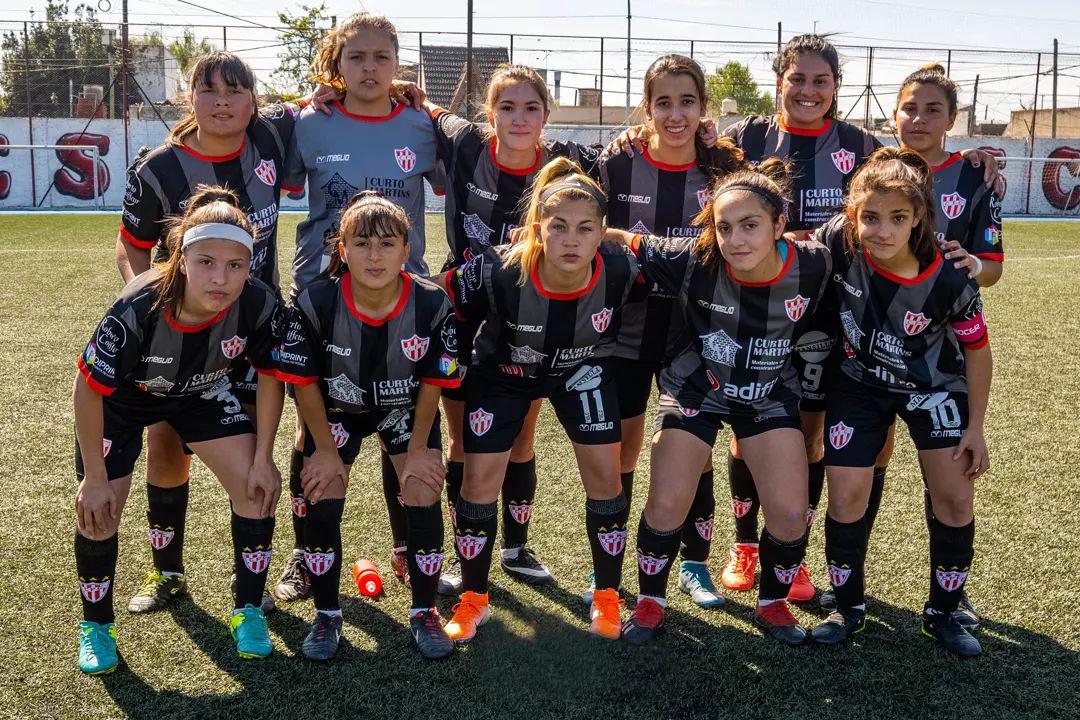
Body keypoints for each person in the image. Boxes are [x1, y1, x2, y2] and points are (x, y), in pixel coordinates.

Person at [718, 34, 1001, 602]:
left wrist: (975, 157)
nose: (808, 90)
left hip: (839, 319)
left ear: (836, 89)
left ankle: (802, 559)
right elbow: (686, 144)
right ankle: (747, 545)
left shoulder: (862, 145)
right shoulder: (744, 137)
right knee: (751, 431)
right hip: (761, 310)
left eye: (821, 81)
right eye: (797, 78)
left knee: (821, 436)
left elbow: (909, 172)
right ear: (779, 82)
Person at [604, 160, 832, 646]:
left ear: (779, 224)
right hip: (695, 390)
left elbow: (877, 229)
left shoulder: (816, 262)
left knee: (791, 514)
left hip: (768, 395)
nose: (736, 240)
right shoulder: (693, 258)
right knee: (667, 500)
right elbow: (622, 238)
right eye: (724, 227)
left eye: (750, 225)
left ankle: (772, 602)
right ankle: (651, 601)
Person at [819, 63, 1007, 626]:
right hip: (859, 380)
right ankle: (846, 604)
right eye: (869, 217)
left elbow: (978, 343)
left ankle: (946, 610)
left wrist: (976, 425)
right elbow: (795, 252)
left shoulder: (953, 270)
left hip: (932, 380)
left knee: (953, 494)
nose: (880, 228)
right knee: (849, 487)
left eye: (896, 218)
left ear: (920, 217)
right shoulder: (844, 229)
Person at [74, 187, 285, 674]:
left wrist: (264, 456)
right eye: (207, 261)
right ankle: (97, 626)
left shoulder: (256, 302)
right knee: (100, 510)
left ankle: (248, 609)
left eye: (236, 265)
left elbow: (271, 375)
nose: (221, 278)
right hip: (123, 405)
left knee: (255, 490)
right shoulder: (139, 304)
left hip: (199, 394)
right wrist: (94, 476)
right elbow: (86, 390)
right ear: (182, 257)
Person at [114, 52, 295, 614]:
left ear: (253, 100)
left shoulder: (269, 139)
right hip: (180, 336)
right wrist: (150, 299)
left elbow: (328, 100)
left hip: (253, 334)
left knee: (254, 458)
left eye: (236, 90)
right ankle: (168, 572)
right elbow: (131, 244)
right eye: (209, 89)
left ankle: (252, 592)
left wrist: (417, 99)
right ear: (189, 97)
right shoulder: (158, 169)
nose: (223, 101)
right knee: (166, 445)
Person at [440, 158, 647, 642]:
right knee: (478, 480)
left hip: (581, 372)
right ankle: (474, 599)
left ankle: (607, 597)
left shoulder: (624, 268)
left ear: (603, 234)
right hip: (505, 376)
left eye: (584, 228)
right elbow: (441, 306)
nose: (571, 240)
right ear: (538, 229)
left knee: (606, 473)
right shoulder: (496, 269)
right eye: (558, 227)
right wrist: (455, 380)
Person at [275, 12, 440, 602]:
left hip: (403, 300)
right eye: (356, 58)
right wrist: (303, 98)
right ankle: (303, 558)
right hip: (324, 295)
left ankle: (407, 552)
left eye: (381, 58)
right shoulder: (309, 123)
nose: (369, 69)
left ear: (399, 66)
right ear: (336, 65)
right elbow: (284, 179)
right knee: (315, 428)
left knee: (405, 420)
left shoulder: (423, 123)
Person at [275, 191, 459, 660]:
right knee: (322, 484)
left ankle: (423, 611)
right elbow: (307, 385)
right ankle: (328, 614)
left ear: (406, 248)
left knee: (420, 483)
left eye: (387, 243)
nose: (374, 255)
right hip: (336, 410)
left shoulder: (433, 303)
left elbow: (434, 384)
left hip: (404, 410)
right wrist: (324, 450)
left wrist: (418, 449)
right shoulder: (315, 301)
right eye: (361, 243)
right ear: (342, 249)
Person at [595, 53, 746, 609]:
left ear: (703, 107)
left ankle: (695, 563)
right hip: (628, 328)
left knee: (696, 448)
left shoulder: (723, 171)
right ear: (647, 108)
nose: (675, 114)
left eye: (687, 102)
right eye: (663, 103)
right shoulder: (617, 163)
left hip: (699, 330)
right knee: (626, 449)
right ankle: (611, 570)